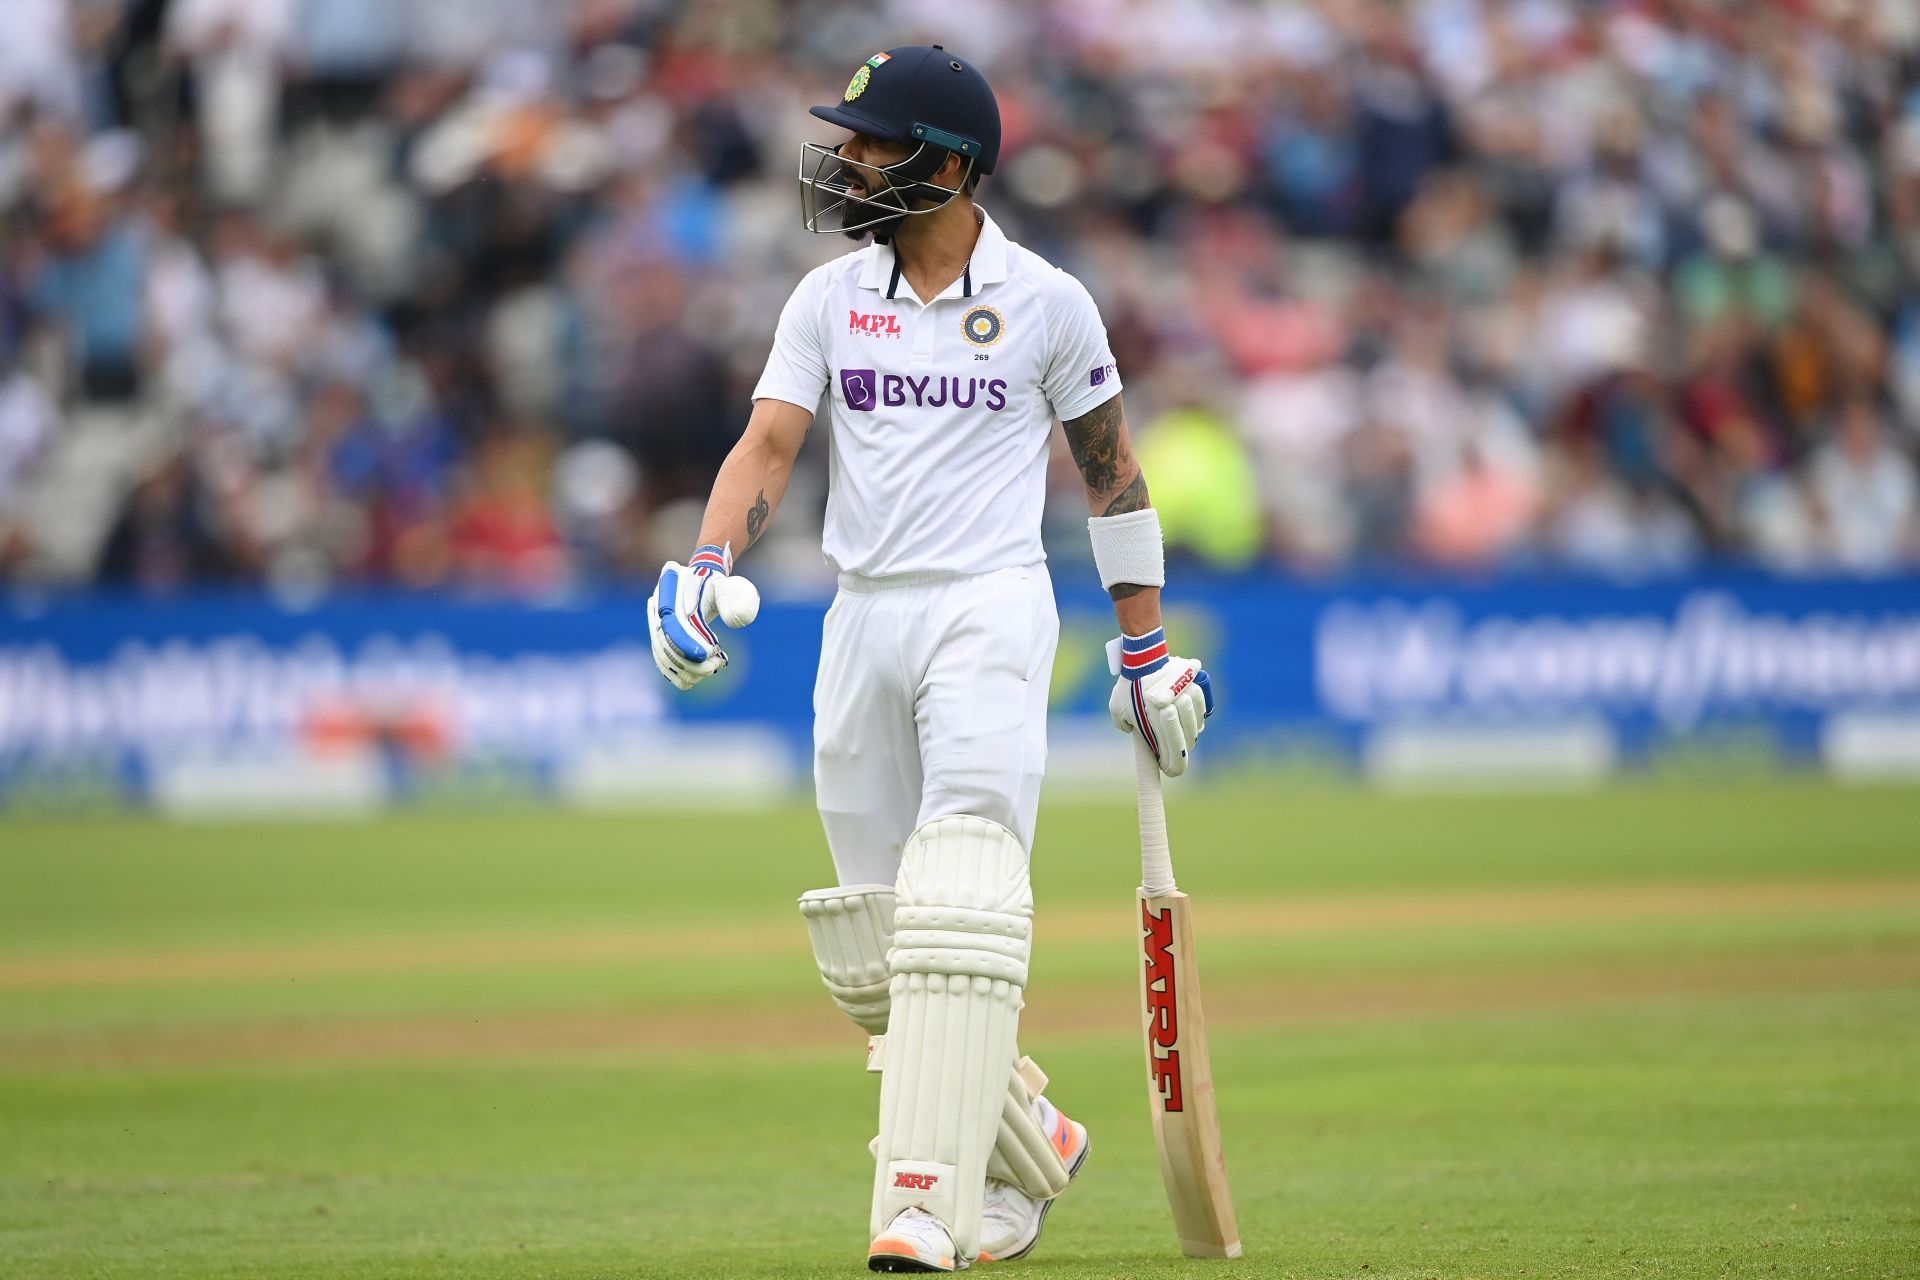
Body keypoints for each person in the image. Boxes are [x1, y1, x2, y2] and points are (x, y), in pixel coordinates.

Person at [646, 46, 1215, 1272]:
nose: (845, 161)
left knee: (960, 903)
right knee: (879, 945)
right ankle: (1034, 1134)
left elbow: (1113, 474)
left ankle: (925, 1202)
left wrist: (1147, 644)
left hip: (987, 613)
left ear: (949, 166)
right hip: (863, 615)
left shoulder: (1051, 302)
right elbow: (769, 443)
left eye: (871, 141)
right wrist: (700, 560)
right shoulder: (826, 298)